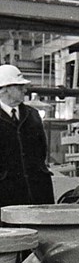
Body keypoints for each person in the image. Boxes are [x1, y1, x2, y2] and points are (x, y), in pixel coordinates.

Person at [0, 64, 54, 213]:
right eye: (19, 87)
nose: (25, 90)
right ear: (4, 89)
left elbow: (41, 150)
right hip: (6, 195)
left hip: (37, 193)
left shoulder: (33, 115)